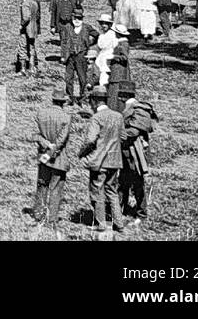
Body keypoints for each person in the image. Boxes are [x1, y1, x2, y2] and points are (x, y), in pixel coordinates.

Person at [79, 85, 126, 234]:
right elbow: (123, 137)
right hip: (115, 161)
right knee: (112, 192)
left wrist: (81, 153)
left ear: (94, 101)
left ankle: (101, 224)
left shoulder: (96, 118)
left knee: (97, 191)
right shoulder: (118, 116)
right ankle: (119, 224)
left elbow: (90, 141)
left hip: (99, 162)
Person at [32, 91, 72, 233]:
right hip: (59, 158)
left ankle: (38, 214)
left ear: (53, 100)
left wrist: (46, 145)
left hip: (44, 156)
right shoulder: (66, 117)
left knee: (42, 184)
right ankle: (52, 219)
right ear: (63, 102)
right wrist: (53, 149)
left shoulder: (41, 113)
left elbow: (35, 135)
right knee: (56, 189)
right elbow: (62, 140)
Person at [120, 97, 157, 222]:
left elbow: (133, 132)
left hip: (134, 156)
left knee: (136, 184)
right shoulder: (139, 114)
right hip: (131, 154)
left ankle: (141, 213)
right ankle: (122, 210)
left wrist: (118, 133)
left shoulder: (135, 113)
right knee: (126, 182)